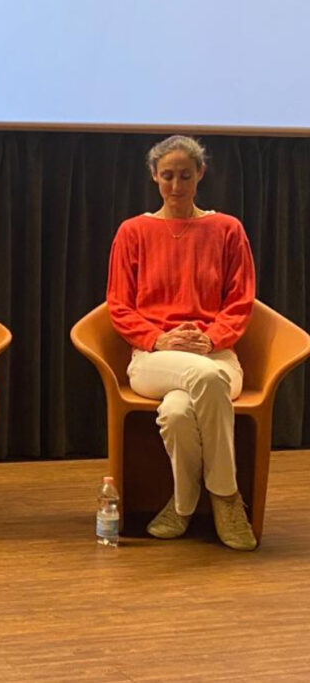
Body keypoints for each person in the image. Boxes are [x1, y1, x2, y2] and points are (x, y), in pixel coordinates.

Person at [106, 135, 258, 551]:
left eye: (185, 176)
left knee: (176, 412)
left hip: (217, 356)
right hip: (153, 358)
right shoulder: (133, 231)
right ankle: (227, 498)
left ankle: (184, 503)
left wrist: (210, 340)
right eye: (168, 176)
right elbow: (119, 306)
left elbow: (241, 302)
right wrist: (159, 337)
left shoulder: (227, 229)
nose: (177, 186)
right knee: (205, 381)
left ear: (200, 175)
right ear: (154, 176)